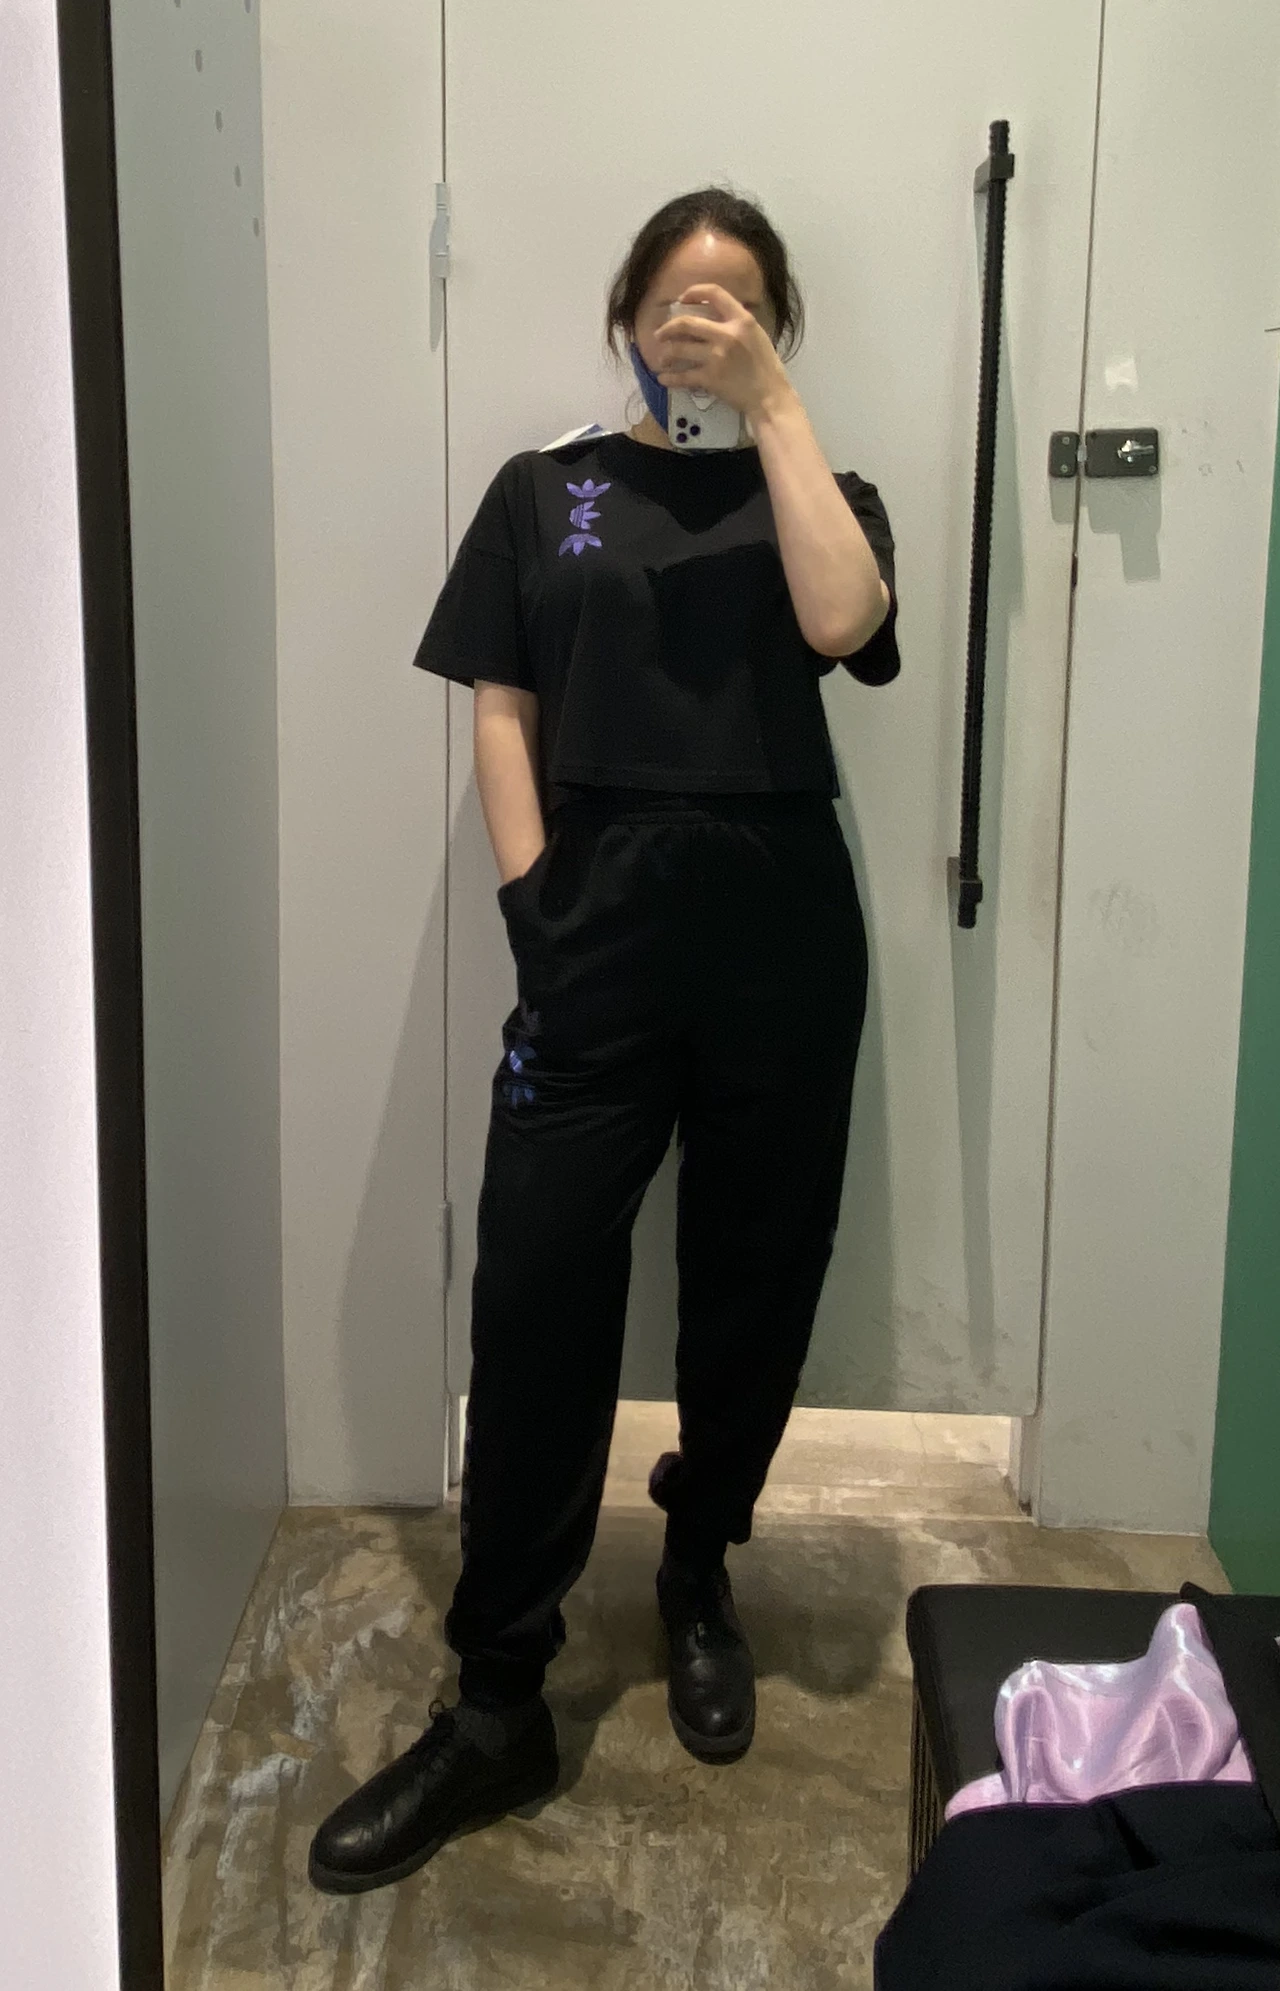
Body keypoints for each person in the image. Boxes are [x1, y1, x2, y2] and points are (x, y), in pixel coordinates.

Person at [308, 186, 900, 1896]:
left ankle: (699, 1563)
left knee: (757, 1274)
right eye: (676, 298)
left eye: (738, 303)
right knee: (538, 1289)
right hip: (594, 934)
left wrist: (775, 409)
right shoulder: (543, 490)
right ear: (626, 313)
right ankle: (499, 1692)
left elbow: (843, 626)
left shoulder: (824, 487)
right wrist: (534, 906)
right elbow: (501, 699)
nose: (701, 323)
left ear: (775, 324)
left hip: (781, 931)